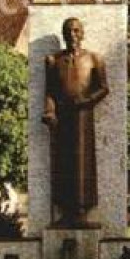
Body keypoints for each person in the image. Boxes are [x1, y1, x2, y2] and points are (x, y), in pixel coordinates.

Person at [42, 17, 109, 225]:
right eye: (69, 31)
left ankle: (81, 209)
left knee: (82, 162)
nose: (73, 35)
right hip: (62, 117)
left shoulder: (94, 59)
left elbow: (104, 88)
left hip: (83, 115)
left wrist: (87, 100)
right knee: (63, 161)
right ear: (64, 35)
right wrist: (50, 111)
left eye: (76, 31)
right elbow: (50, 91)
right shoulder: (54, 60)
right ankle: (65, 210)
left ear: (82, 33)